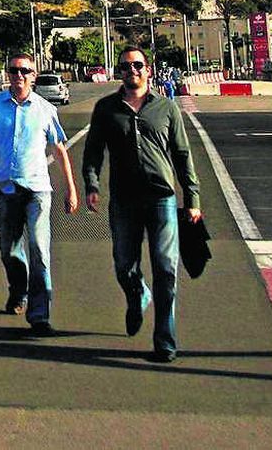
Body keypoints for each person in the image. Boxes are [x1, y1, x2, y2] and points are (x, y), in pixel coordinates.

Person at [82, 46, 201, 362]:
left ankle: (165, 341)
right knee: (124, 266)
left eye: (137, 65)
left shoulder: (166, 109)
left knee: (166, 268)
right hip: (123, 200)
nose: (131, 70)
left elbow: (182, 155)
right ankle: (137, 295)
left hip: (162, 198)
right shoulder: (106, 109)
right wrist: (91, 185)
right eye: (125, 66)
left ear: (148, 70)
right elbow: (93, 152)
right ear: (119, 72)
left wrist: (193, 198)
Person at [0, 52, 78, 334]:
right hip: (6, 191)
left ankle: (40, 314)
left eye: (24, 71)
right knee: (9, 250)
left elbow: (59, 150)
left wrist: (71, 188)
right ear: (7, 74)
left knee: (40, 249)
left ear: (33, 76)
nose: (18, 76)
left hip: (38, 191)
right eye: (14, 71)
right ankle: (19, 291)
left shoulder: (44, 109)